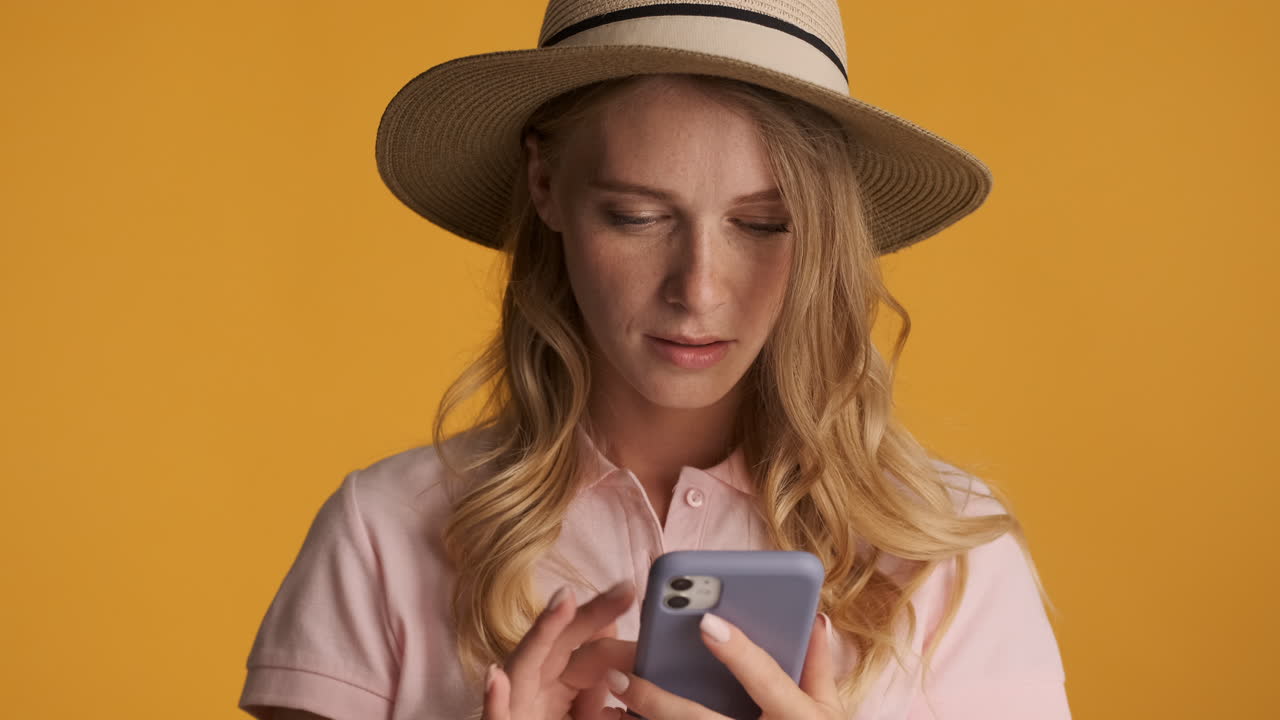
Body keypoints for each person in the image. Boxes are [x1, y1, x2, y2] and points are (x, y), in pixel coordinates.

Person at [237, 1, 1070, 719]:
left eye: (762, 224)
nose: (699, 290)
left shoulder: (944, 557)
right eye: (637, 216)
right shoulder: (383, 534)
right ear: (544, 182)